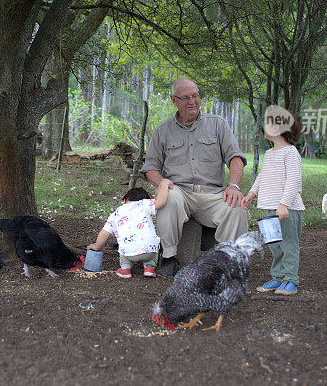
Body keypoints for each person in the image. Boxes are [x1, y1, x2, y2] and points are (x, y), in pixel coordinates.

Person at [140, 78, 248, 277]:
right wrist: (162, 182)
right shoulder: (163, 131)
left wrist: (233, 185)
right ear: (174, 100)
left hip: (213, 194)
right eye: (186, 97)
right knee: (167, 196)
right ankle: (169, 257)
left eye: (195, 96)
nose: (192, 101)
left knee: (237, 207)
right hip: (180, 192)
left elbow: (235, 157)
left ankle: (228, 261)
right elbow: (150, 168)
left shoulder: (218, 125)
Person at [242, 107, 304, 296]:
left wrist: (284, 204)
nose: (266, 126)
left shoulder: (290, 153)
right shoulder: (270, 154)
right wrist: (252, 194)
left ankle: (291, 279)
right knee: (275, 245)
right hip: (270, 209)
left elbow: (294, 180)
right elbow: (262, 176)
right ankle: (278, 277)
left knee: (288, 244)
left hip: (287, 209)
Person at [87, 179, 172, 278]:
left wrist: (97, 246)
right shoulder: (144, 204)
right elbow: (161, 202)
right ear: (146, 200)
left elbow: (104, 233)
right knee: (153, 242)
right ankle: (149, 267)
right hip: (149, 251)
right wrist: (164, 184)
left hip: (128, 253)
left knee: (123, 246)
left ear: (124, 201)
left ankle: (125, 269)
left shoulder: (116, 213)